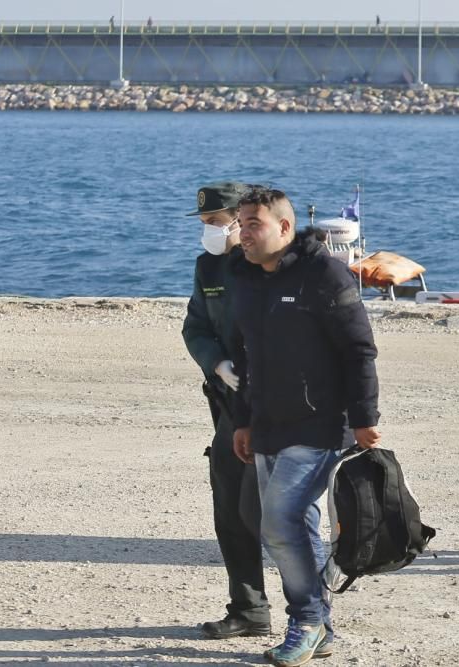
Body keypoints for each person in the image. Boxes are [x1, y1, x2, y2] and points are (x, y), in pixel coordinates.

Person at [230, 186, 381, 667]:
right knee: (298, 525)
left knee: (278, 522)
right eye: (240, 223)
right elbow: (245, 357)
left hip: (320, 424)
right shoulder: (249, 276)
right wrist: (243, 421)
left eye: (253, 223)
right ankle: (323, 627)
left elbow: (359, 349)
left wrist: (364, 418)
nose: (242, 232)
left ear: (284, 227)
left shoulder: (323, 273)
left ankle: (307, 619)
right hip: (269, 423)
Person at [180, 181, 270, 639]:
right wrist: (216, 362)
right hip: (229, 406)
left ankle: (313, 614)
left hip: (280, 403)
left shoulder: (275, 264)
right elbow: (195, 325)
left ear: (243, 219)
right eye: (204, 225)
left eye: (216, 223)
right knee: (231, 508)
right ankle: (249, 607)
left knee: (285, 512)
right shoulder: (207, 266)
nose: (210, 232)